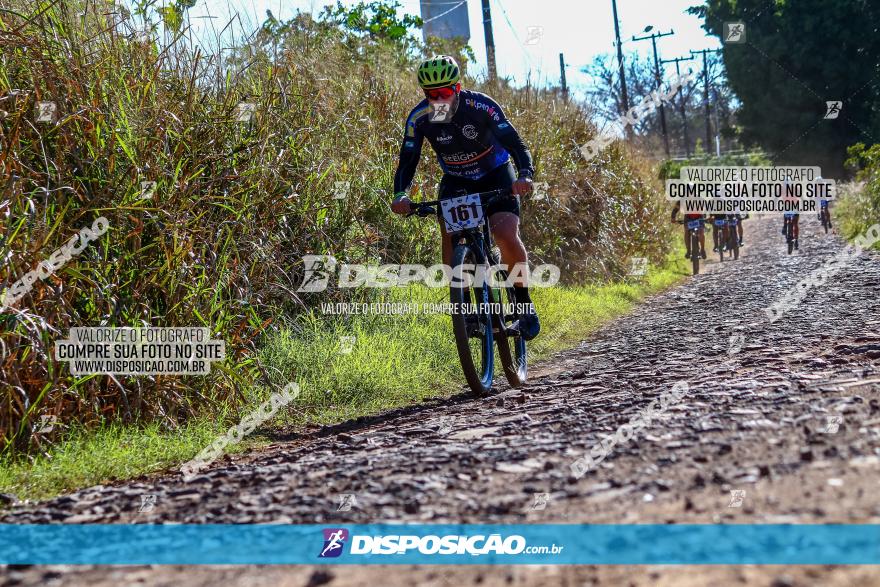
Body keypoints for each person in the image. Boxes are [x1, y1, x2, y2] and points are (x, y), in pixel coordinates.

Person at [389, 55, 540, 340]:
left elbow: (515, 143)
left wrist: (525, 174)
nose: (438, 100)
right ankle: (464, 306)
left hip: (496, 173)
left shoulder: (481, 107)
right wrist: (400, 194)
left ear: (457, 88)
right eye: (430, 94)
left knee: (505, 234)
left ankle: (524, 304)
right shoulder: (420, 118)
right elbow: (408, 159)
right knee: (449, 234)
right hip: (458, 180)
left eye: (444, 93)